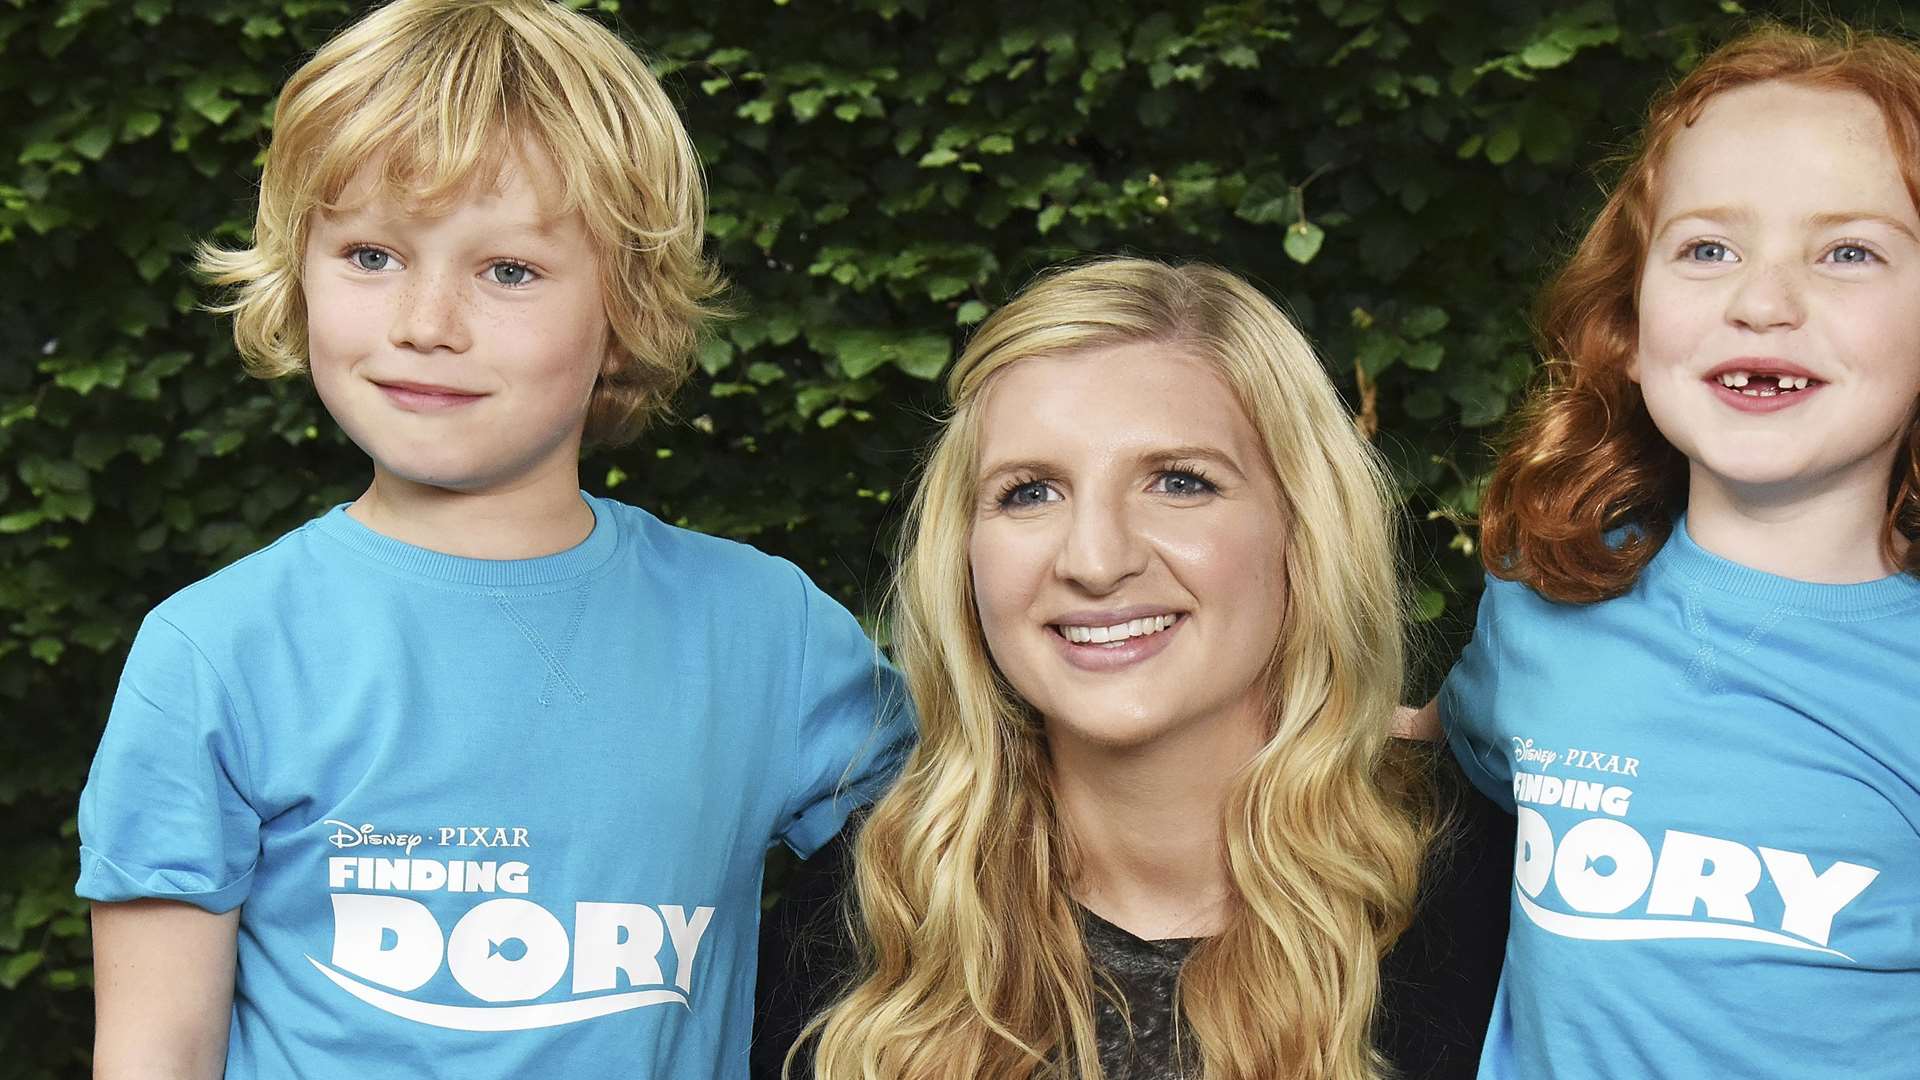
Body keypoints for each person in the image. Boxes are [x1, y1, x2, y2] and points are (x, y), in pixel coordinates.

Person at [76, 2, 908, 1076]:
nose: (427, 321)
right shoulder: (213, 654)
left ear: (626, 304)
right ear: (298, 269)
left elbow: (1008, 848)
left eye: (507, 270)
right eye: (371, 254)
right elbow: (154, 1053)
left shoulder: (765, 633)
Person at [773, 257, 1468, 1080]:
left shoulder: (1495, 893)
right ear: (963, 557)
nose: (1096, 560)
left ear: (1304, 530)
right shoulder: (863, 927)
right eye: (1030, 492)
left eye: (1180, 482)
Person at [1404, 24, 1920, 1079]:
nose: (1763, 299)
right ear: (1628, 325)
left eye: (1849, 252)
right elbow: (1435, 755)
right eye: (1708, 248)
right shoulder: (1542, 605)